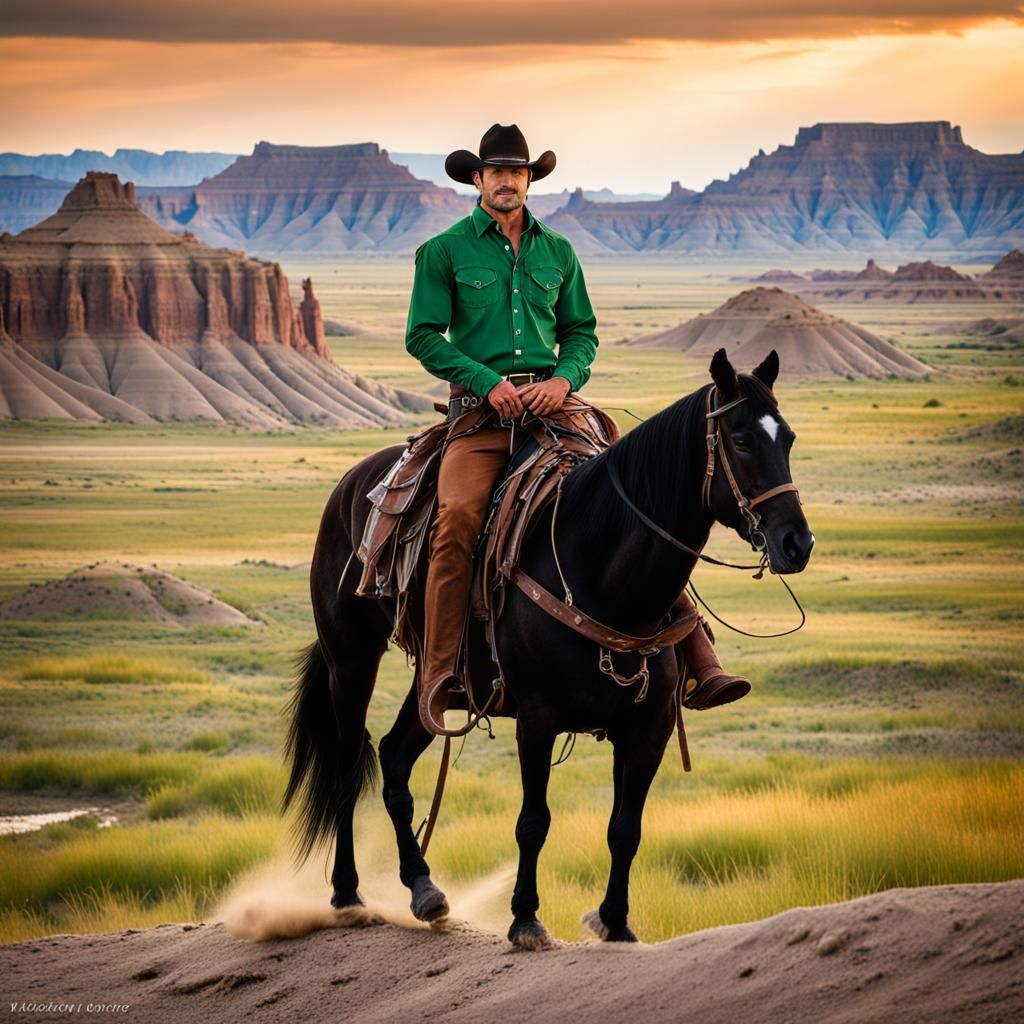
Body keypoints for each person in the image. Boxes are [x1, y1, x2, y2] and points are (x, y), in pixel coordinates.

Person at [405, 123, 748, 736]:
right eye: (497, 171)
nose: (508, 180)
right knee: (455, 519)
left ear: (530, 180)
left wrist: (563, 381)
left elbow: (582, 332)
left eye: (519, 171)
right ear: (477, 179)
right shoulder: (445, 251)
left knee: (632, 504)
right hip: (482, 418)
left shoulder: (558, 252)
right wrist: (488, 382)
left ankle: (700, 657)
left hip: (558, 409)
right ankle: (440, 674)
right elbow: (423, 335)